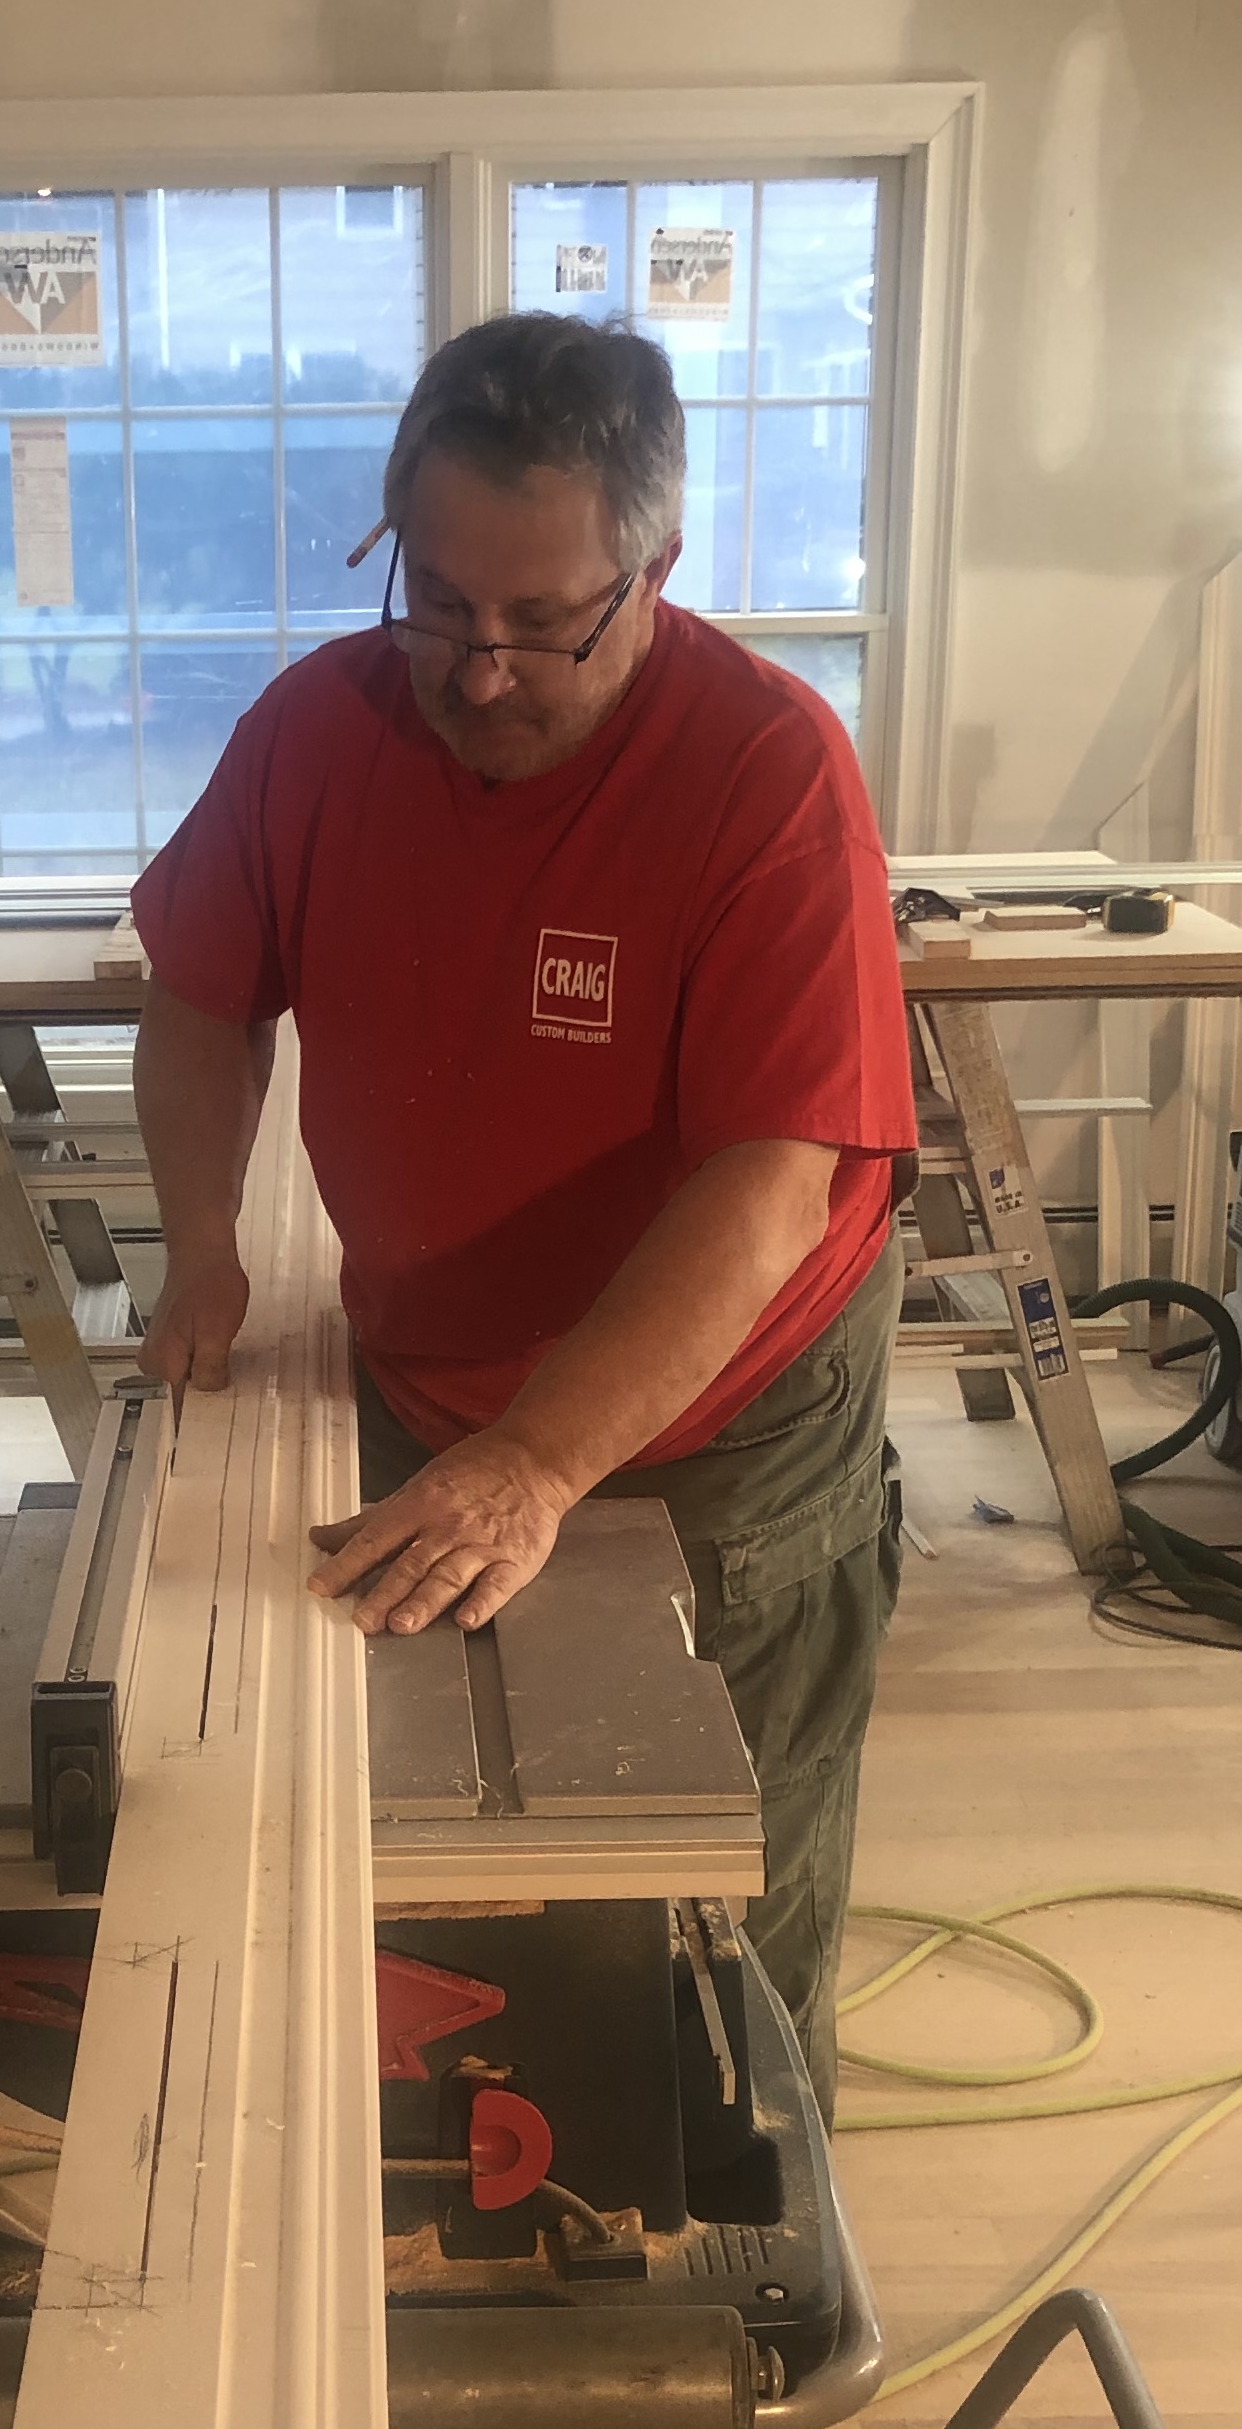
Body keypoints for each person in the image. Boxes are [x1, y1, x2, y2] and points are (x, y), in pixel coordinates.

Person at [127, 310, 914, 2104]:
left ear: (657, 569)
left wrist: (542, 1464)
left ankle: (743, 2182)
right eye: (439, 603)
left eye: (544, 623)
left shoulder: (769, 771)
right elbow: (199, 991)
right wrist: (201, 1248)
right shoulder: (316, 731)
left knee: (719, 1856)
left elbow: (770, 1183)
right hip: (440, 1364)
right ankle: (503, 2141)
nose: (480, 672)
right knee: (448, 1810)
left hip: (724, 1409)